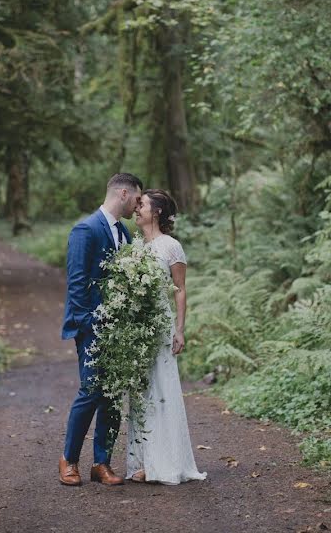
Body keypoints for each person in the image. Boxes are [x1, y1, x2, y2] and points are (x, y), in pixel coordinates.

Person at [59, 173, 143, 486]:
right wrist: (89, 324)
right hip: (92, 327)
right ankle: (68, 460)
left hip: (119, 328)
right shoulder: (86, 229)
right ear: (123, 193)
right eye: (137, 199)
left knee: (111, 395)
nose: (138, 207)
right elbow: (77, 282)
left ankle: (101, 463)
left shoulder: (124, 233)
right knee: (91, 390)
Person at [126, 189, 207, 485]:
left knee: (160, 390)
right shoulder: (134, 247)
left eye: (142, 205)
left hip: (159, 326)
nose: (137, 209)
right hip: (136, 329)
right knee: (140, 393)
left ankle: (166, 461)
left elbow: (180, 288)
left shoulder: (171, 246)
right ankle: (142, 460)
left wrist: (180, 329)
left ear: (157, 211)